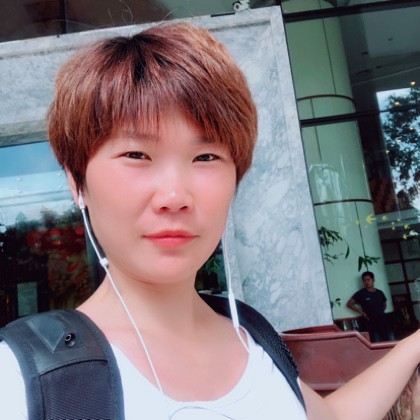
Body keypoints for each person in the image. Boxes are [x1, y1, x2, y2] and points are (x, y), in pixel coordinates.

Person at [1, 21, 420, 420]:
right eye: (136, 155)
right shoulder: (25, 381)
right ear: (77, 182)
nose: (174, 197)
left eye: (205, 157)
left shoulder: (253, 337)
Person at [347, 271, 395, 342]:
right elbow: (349, 304)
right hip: (371, 324)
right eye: (364, 280)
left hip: (384, 322)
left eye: (368, 279)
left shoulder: (380, 292)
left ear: (373, 280)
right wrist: (362, 312)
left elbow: (384, 304)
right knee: (377, 343)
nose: (366, 282)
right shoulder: (361, 293)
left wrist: (380, 312)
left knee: (391, 341)